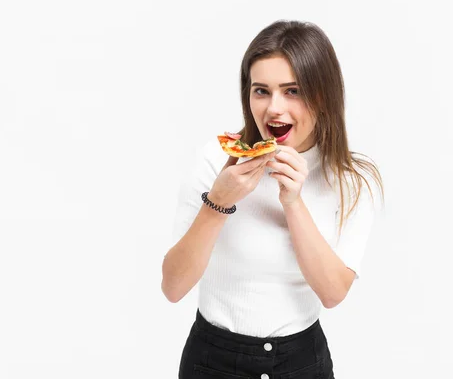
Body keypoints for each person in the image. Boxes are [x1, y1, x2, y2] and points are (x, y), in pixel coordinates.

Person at [161, 20, 385, 379]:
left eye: (292, 91)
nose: (274, 109)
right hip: (213, 359)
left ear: (323, 95)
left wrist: (293, 201)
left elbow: (332, 293)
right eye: (261, 91)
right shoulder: (217, 159)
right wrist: (218, 203)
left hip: (301, 361)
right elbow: (172, 287)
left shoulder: (352, 179)